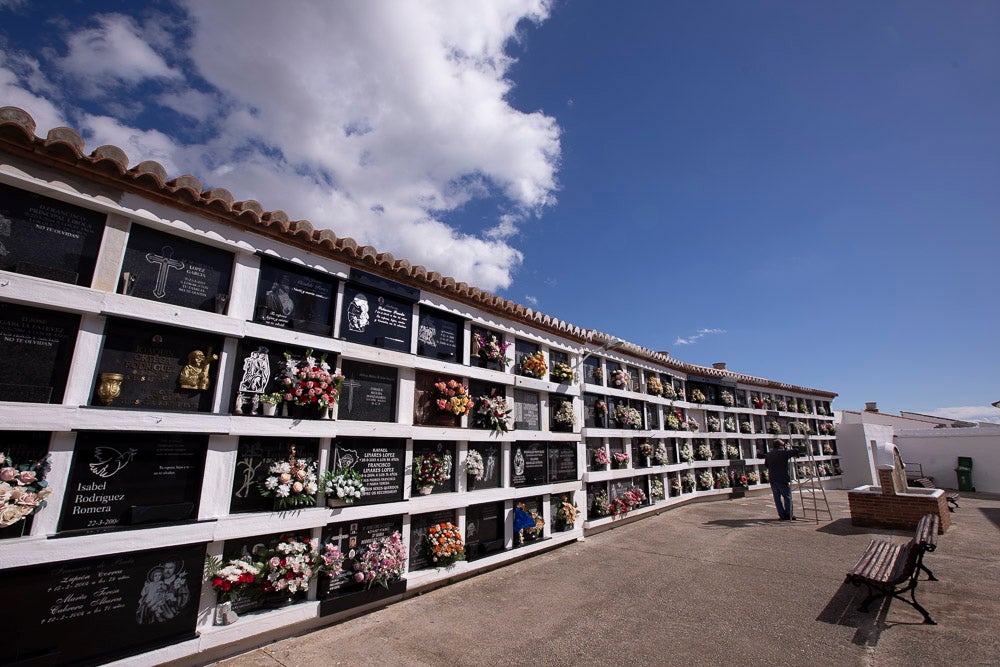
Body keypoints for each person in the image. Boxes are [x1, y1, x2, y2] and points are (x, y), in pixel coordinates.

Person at [764, 439, 798, 520]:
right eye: (783, 446)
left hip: (773, 479)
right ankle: (789, 514)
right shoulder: (783, 453)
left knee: (777, 498)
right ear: (780, 446)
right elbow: (796, 450)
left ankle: (782, 515)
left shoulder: (769, 454)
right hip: (782, 479)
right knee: (787, 497)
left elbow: (766, 465)